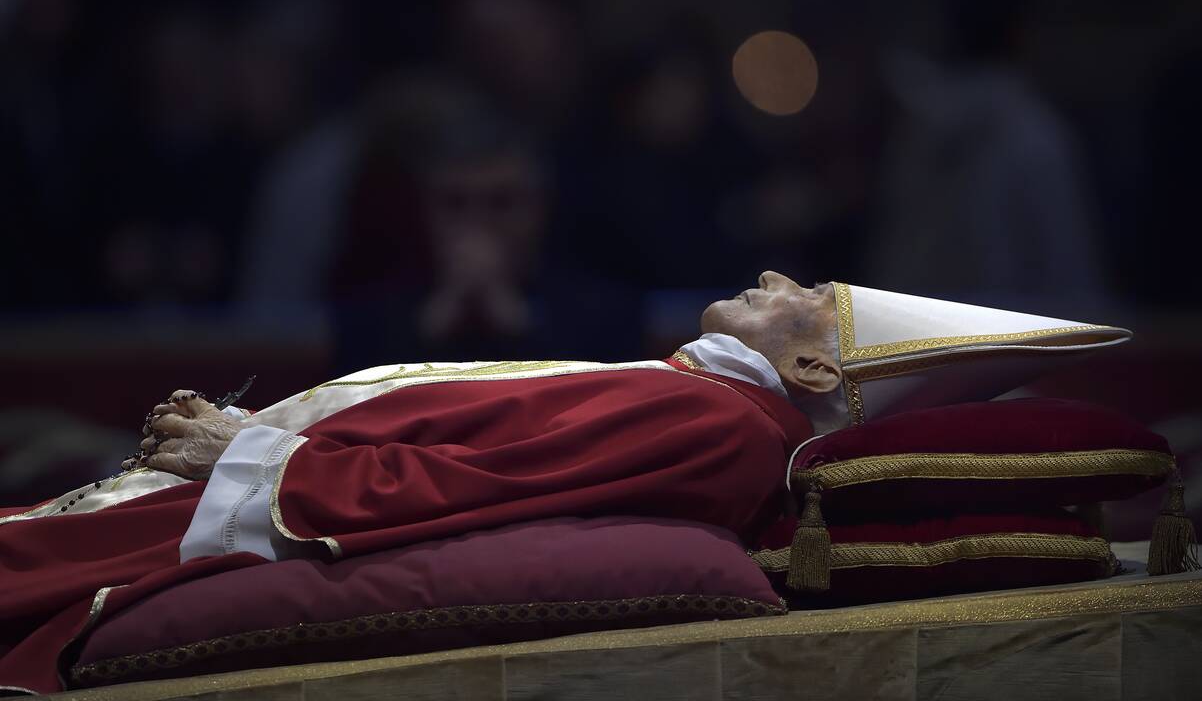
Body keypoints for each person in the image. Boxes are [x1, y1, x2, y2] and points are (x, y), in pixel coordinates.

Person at [0, 272, 1128, 694]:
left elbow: (478, 488)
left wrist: (245, 455)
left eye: (812, 296)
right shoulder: (699, 391)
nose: (774, 273)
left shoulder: (713, 418)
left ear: (815, 371)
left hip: (232, 513)